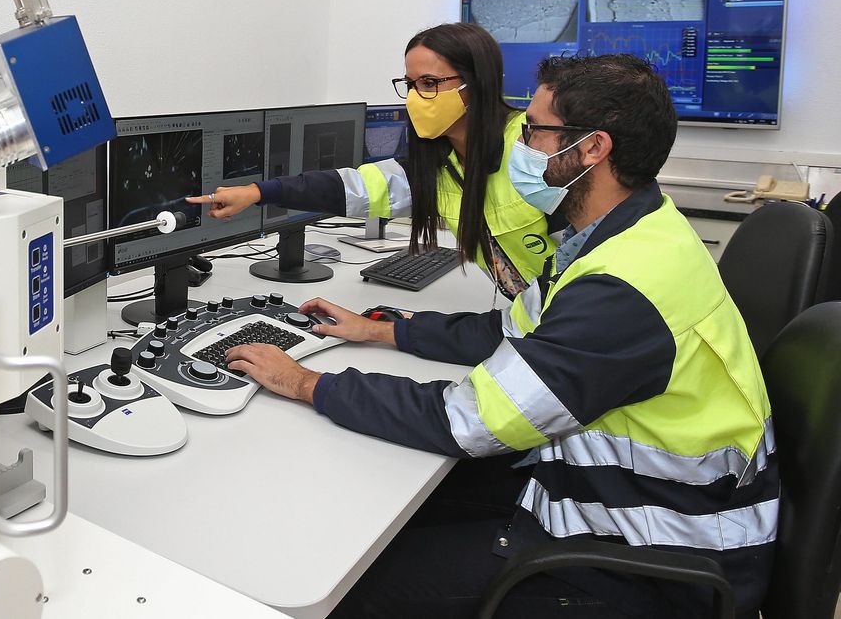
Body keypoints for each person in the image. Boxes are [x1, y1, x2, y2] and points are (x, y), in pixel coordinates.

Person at [223, 53, 777, 618]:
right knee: (392, 514)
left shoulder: (623, 287)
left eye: (533, 131)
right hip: (620, 498)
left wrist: (305, 382)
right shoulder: (625, 234)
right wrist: (384, 331)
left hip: (651, 557)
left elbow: (472, 421)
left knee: (349, 589)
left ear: (593, 148)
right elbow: (514, 328)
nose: (520, 146)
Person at [188, 22, 554, 300]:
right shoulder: (437, 165)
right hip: (534, 319)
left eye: (430, 83)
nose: (415, 97)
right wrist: (257, 192)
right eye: (410, 84)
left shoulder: (534, 147)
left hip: (570, 321)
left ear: (477, 83)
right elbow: (349, 187)